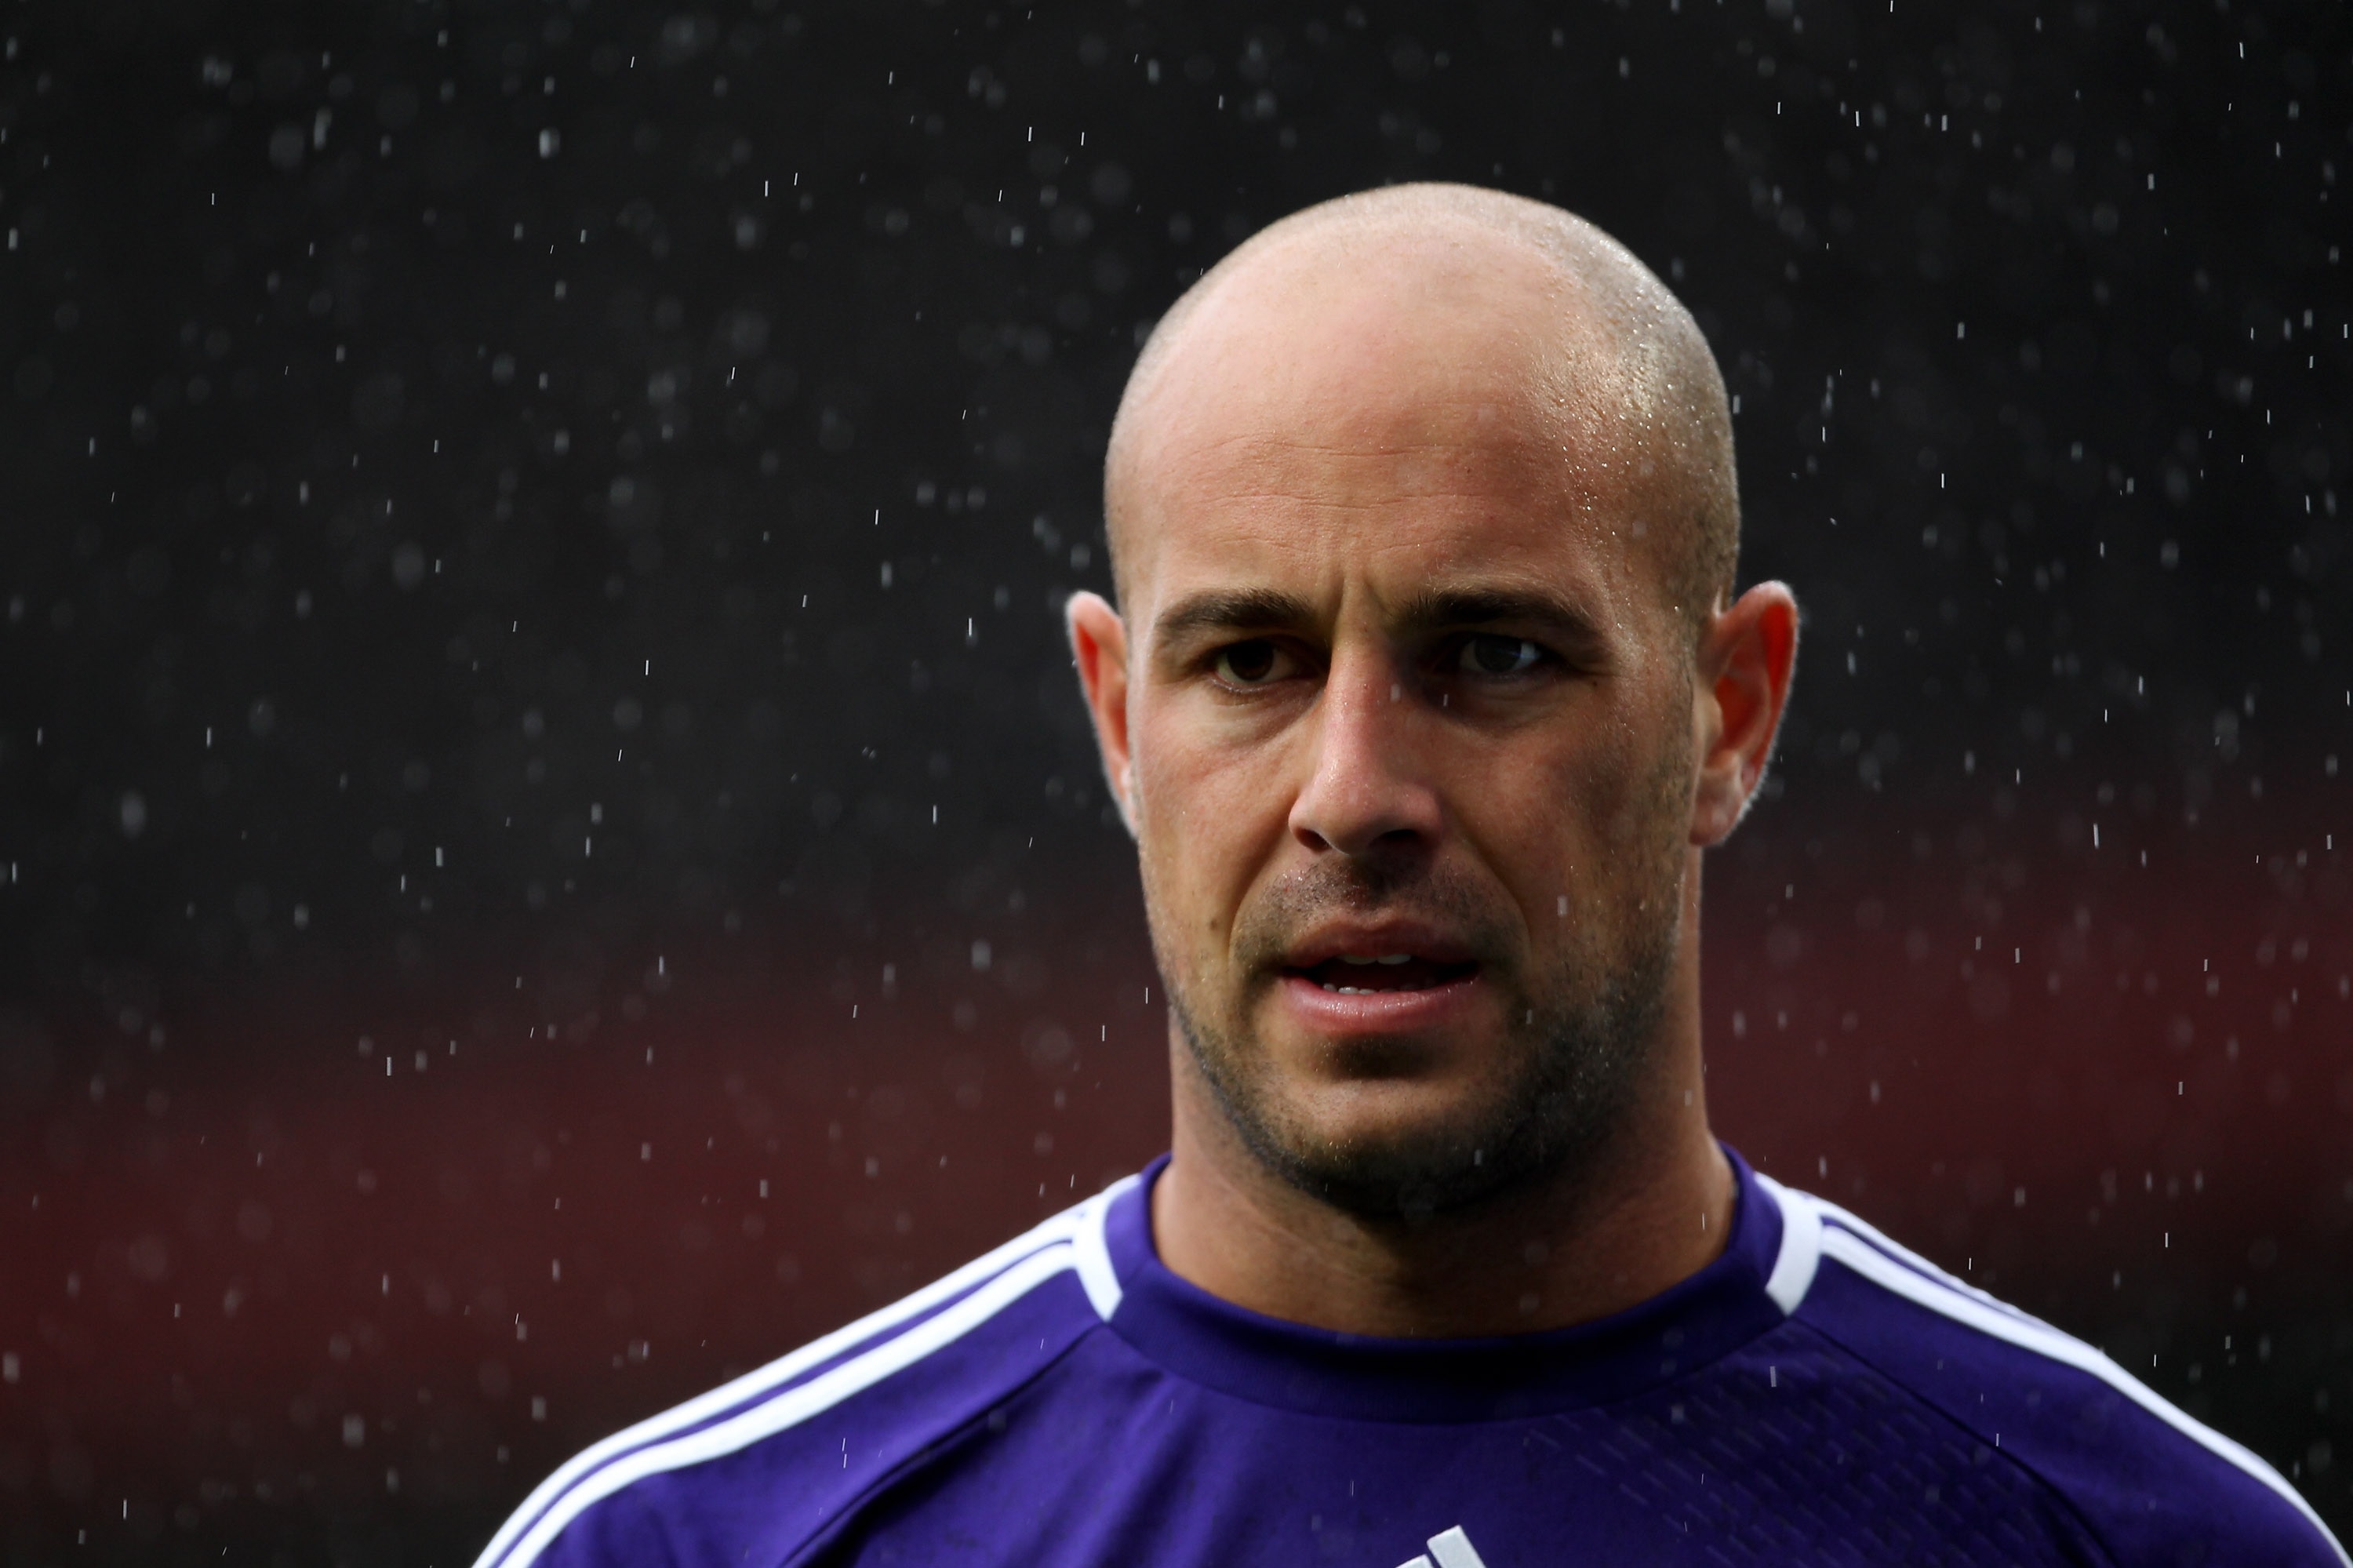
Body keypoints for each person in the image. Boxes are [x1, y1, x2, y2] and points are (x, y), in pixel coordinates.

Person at [474, 184, 2346, 1568]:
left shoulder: (2143, 1543)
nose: (1354, 792)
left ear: (1729, 714)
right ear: (1117, 719)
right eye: (1252, 663)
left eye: (1493, 656)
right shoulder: (693, 1549)